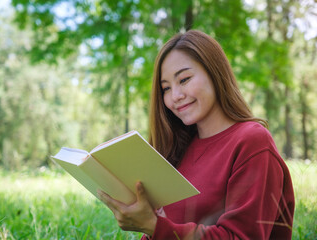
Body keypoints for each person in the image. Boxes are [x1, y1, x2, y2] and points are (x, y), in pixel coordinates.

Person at [97, 30, 295, 239]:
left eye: (184, 80)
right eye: (165, 88)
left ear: (214, 71)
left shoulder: (252, 141)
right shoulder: (178, 148)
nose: (175, 96)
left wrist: (154, 227)